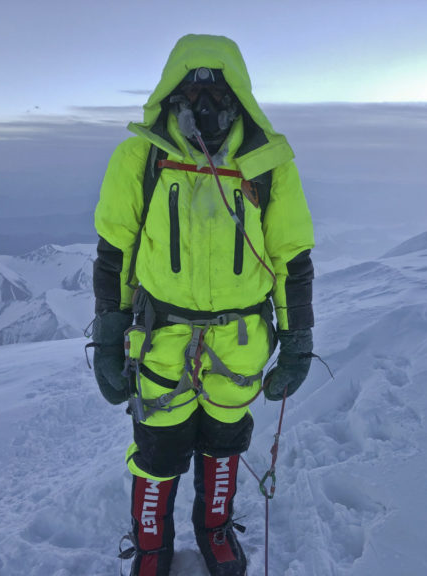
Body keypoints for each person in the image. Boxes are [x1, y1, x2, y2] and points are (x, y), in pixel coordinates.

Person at [91, 34, 315, 576]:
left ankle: (213, 527)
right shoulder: (142, 156)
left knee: (224, 440)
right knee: (158, 449)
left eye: (216, 93)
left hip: (237, 344)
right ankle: (151, 544)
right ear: (171, 94)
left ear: (238, 95)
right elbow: (115, 250)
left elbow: (292, 256)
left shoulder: (267, 162)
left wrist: (297, 338)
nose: (204, 106)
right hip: (160, 338)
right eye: (191, 92)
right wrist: (108, 332)